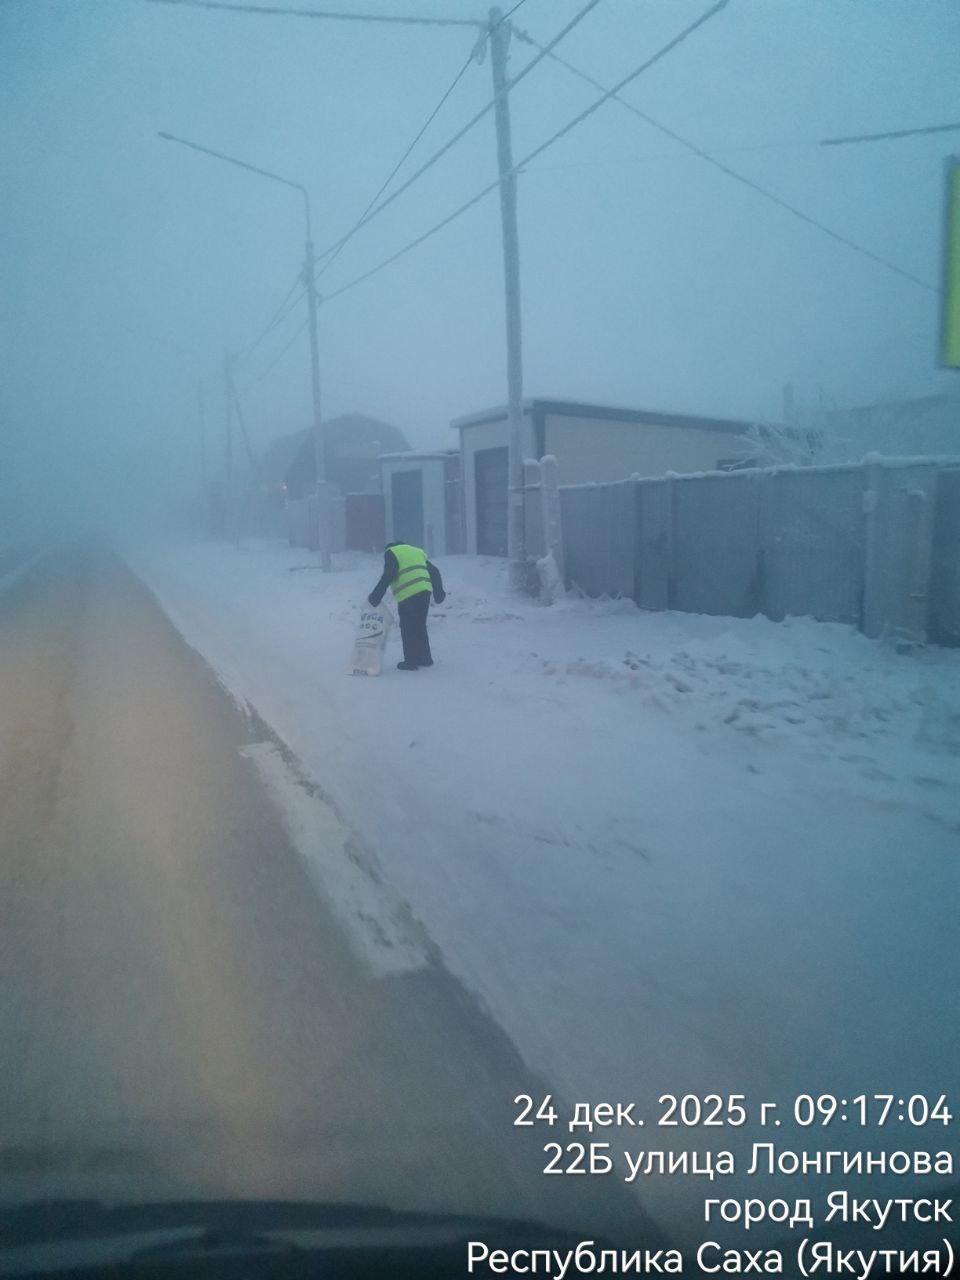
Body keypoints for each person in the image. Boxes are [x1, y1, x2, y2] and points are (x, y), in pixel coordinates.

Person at [368, 541, 446, 671]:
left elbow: (388, 575)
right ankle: (425, 658)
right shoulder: (416, 552)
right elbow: (434, 571)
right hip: (424, 591)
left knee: (407, 626)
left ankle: (410, 661)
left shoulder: (391, 552)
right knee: (419, 625)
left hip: (409, 594)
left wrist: (375, 597)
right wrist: (439, 593)